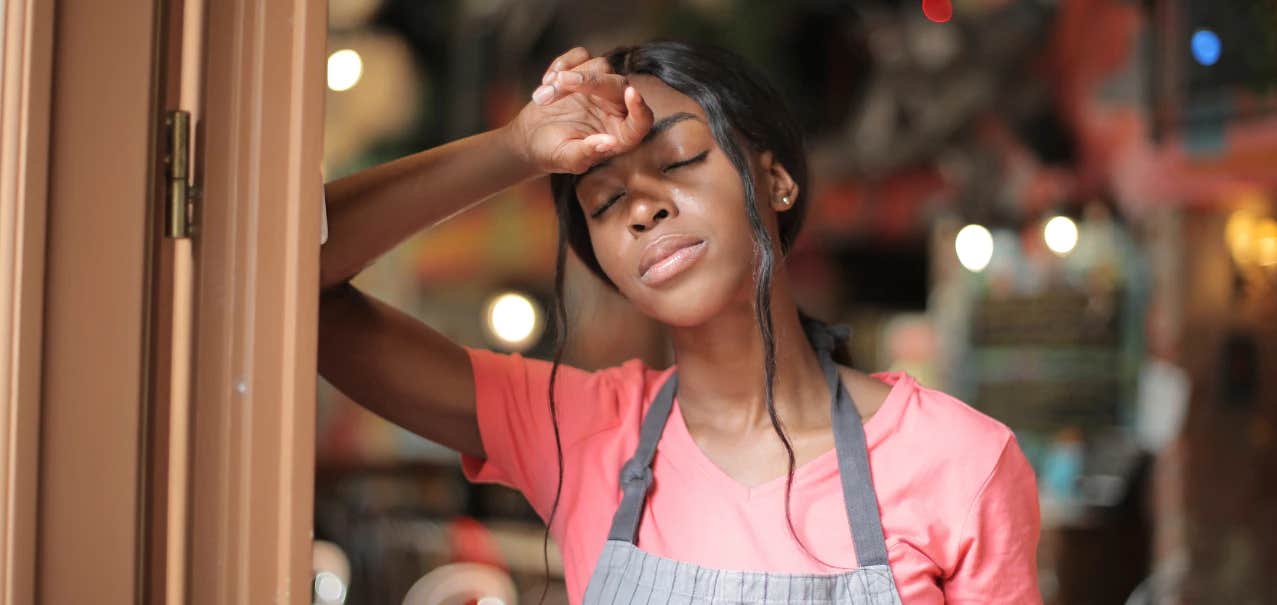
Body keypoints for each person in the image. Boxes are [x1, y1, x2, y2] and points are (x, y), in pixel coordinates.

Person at [319, 40, 1041, 604]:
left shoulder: (958, 461)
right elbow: (300, 285)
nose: (643, 207)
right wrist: (515, 148)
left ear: (778, 178)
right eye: (604, 203)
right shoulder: (580, 430)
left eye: (681, 160)